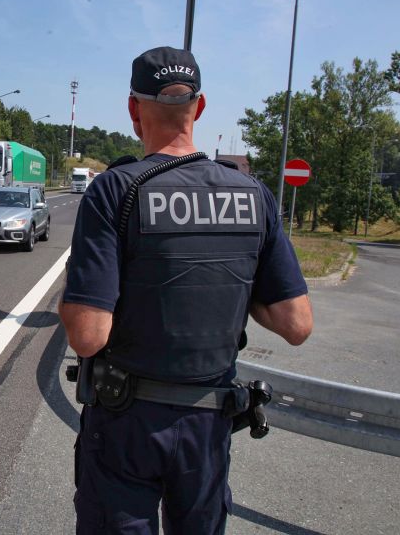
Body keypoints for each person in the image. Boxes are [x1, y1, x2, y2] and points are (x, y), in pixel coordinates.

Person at [59, 46, 313, 535]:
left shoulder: (117, 189)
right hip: (209, 424)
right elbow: (296, 324)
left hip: (126, 424)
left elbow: (87, 335)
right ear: (199, 107)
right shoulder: (253, 195)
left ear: (134, 110)